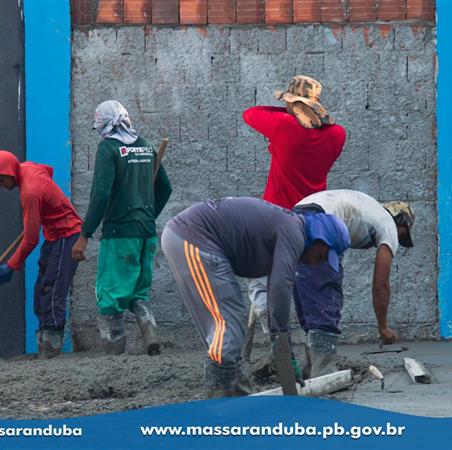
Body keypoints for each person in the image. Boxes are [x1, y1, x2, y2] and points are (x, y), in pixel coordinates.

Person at [161, 197, 349, 396]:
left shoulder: (290, 227)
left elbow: (274, 292)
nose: (317, 263)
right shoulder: (294, 233)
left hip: (192, 239)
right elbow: (280, 287)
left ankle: (239, 395)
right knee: (228, 325)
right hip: (194, 238)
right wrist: (283, 348)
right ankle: (220, 401)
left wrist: (284, 351)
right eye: (321, 256)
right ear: (318, 239)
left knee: (231, 323)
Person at [242, 75, 346, 345]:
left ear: (293, 103)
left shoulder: (284, 126)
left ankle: (278, 342)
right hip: (313, 221)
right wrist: (308, 110)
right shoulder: (336, 134)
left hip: (276, 218)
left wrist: (289, 109)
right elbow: (323, 127)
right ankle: (316, 344)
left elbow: (251, 113)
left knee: (262, 282)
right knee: (308, 286)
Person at [71, 100, 172, 356]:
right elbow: (165, 188)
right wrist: (147, 216)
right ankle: (150, 334)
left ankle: (114, 356)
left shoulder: (109, 149)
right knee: (138, 293)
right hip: (146, 234)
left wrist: (85, 234)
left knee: (111, 297)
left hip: (119, 235)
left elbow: (101, 195)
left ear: (105, 125)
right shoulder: (145, 146)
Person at [293, 190, 415, 377]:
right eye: (402, 235)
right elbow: (381, 284)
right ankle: (324, 371)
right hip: (320, 221)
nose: (398, 239)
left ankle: (312, 367)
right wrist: (383, 327)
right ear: (402, 224)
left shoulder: (370, 208)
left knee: (307, 296)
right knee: (326, 297)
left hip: (295, 217)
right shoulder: (388, 225)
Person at [0, 150, 82, 359]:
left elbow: (30, 240)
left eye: (0, 179)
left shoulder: (29, 194)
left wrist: (11, 265)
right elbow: (48, 171)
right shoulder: (26, 167)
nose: (0, 185)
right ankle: (44, 346)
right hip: (54, 236)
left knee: (53, 289)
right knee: (42, 290)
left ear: (9, 173)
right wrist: (44, 207)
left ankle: (51, 348)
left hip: (66, 235)